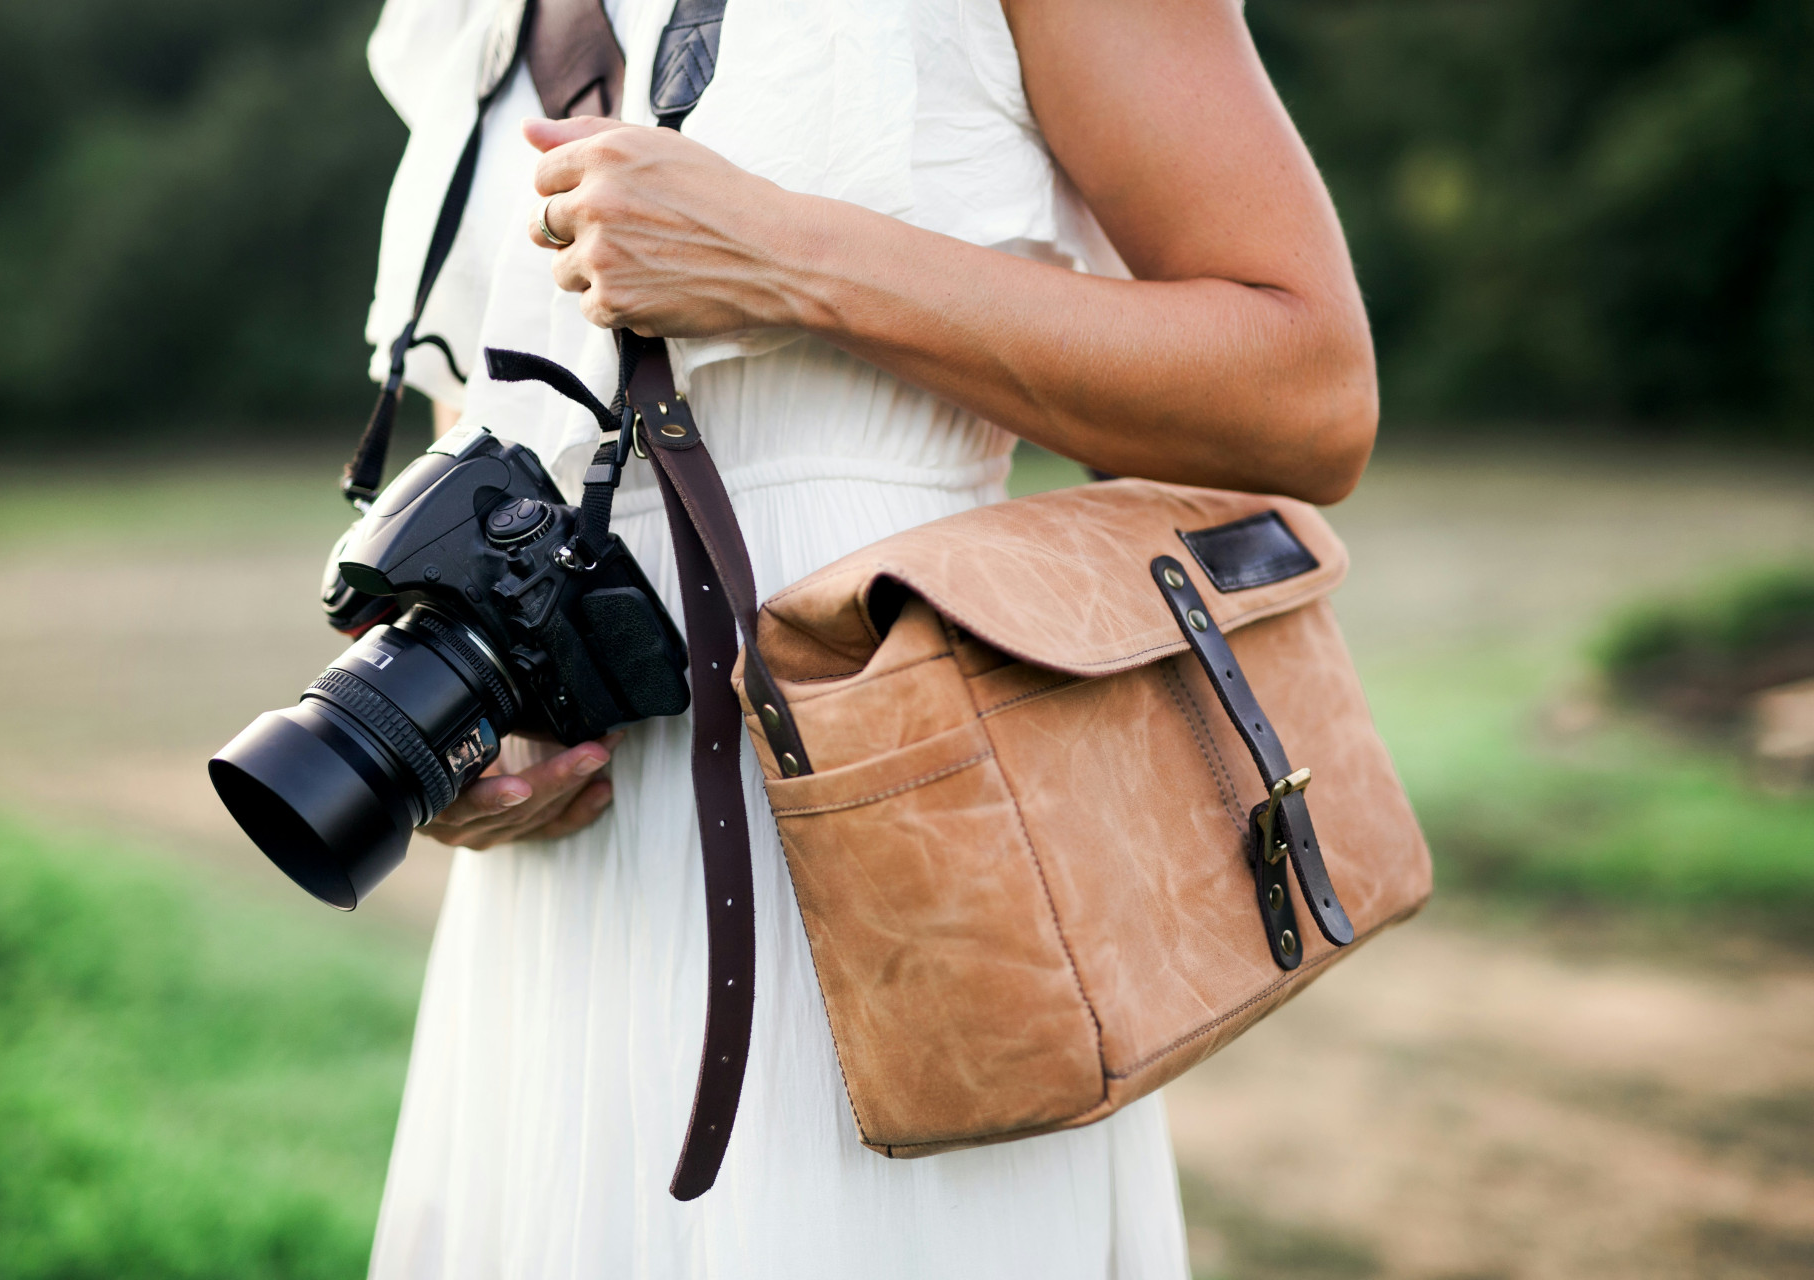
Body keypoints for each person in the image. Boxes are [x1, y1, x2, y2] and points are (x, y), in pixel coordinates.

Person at [361, 0, 1375, 1275]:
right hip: (559, 892)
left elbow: (1311, 390)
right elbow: (497, 420)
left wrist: (790, 257)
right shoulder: (457, 16)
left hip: (909, 834)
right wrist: (467, 723)